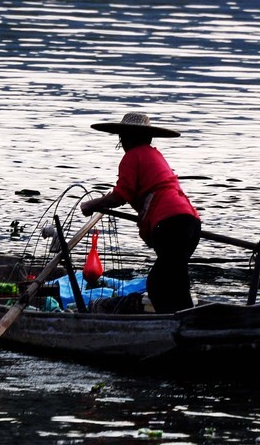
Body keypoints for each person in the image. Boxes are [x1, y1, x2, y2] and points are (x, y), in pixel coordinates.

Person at [80, 113, 201, 314]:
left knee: (158, 285)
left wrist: (91, 205)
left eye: (123, 137)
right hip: (190, 223)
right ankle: (184, 319)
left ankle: (178, 325)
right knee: (175, 280)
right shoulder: (154, 155)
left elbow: (120, 196)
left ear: (126, 138)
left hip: (171, 224)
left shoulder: (132, 156)